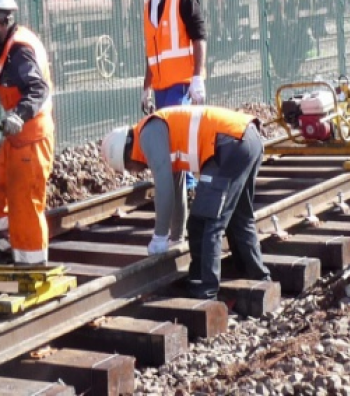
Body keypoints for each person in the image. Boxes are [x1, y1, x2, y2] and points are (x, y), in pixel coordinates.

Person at [100, 105, 271, 301]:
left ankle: (204, 290)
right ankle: (258, 277)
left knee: (204, 222)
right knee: (239, 217)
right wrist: (176, 236)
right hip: (246, 139)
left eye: (129, 166)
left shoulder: (147, 135)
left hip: (229, 143)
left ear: (127, 151)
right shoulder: (159, 133)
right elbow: (175, 188)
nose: (134, 171)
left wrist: (159, 236)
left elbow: (163, 188)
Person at [0, 0, 54, 266]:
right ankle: (9, 248)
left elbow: (37, 88)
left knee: (26, 206)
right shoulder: (12, 46)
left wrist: (18, 115)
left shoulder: (19, 49)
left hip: (31, 139)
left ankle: (31, 266)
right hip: (17, 138)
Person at [129, 0, 208, 198]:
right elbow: (152, 54)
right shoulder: (147, 7)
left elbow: (199, 37)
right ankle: (182, 194)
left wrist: (197, 77)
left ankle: (185, 194)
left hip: (182, 84)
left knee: (174, 141)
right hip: (162, 88)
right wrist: (146, 88)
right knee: (170, 143)